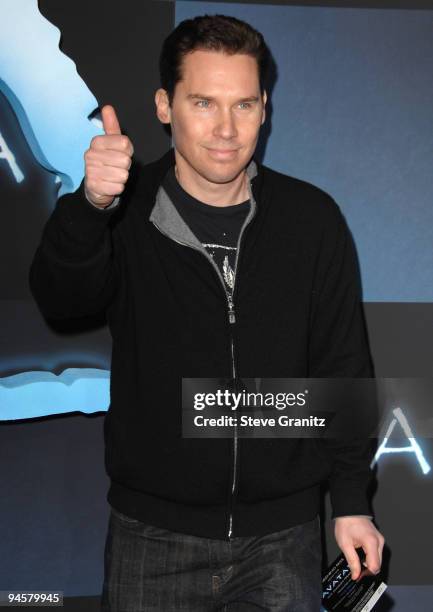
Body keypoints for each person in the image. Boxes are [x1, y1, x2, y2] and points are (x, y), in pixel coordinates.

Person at [29, 13, 385, 612]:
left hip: (282, 542)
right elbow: (60, 302)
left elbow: (342, 371)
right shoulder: (124, 211)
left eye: (244, 105)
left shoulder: (312, 220)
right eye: (204, 103)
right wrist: (90, 206)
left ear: (265, 107)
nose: (226, 129)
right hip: (152, 539)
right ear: (165, 106)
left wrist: (350, 501)